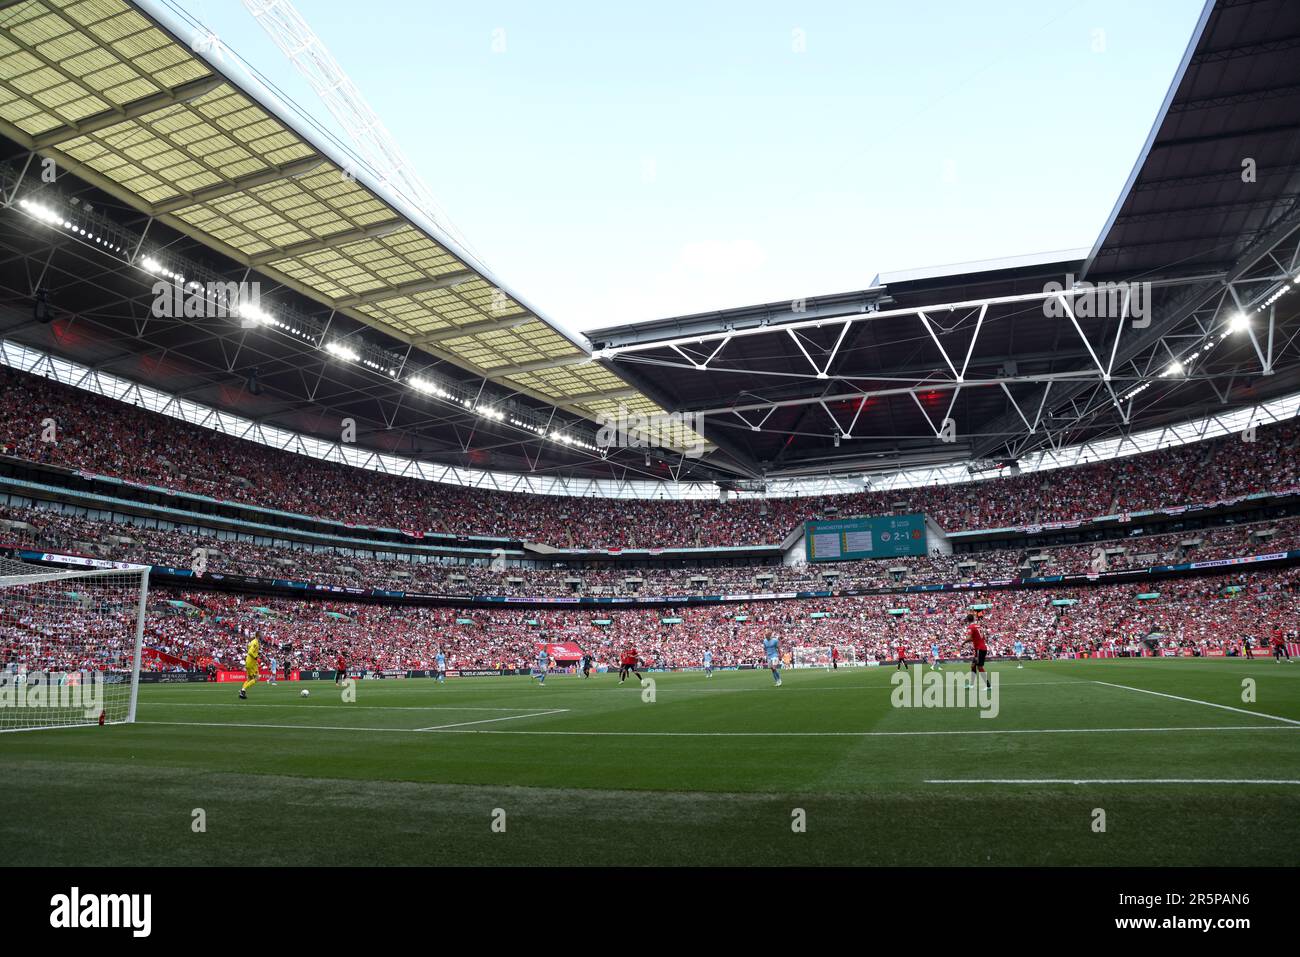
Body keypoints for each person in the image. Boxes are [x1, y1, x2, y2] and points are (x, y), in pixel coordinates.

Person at [963, 613, 991, 691]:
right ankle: (971, 684)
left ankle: (988, 686)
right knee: (973, 665)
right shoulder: (978, 626)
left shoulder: (971, 627)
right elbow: (983, 637)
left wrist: (963, 643)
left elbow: (969, 638)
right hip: (980, 648)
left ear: (967, 620)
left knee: (979, 667)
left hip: (979, 649)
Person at [238, 632, 260, 700]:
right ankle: (243, 690)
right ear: (258, 635)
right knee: (256, 678)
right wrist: (256, 657)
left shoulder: (252, 642)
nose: (263, 636)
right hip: (252, 663)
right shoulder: (255, 642)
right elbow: (250, 652)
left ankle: (242, 692)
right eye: (262, 634)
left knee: (249, 679)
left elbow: (249, 650)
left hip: (249, 661)